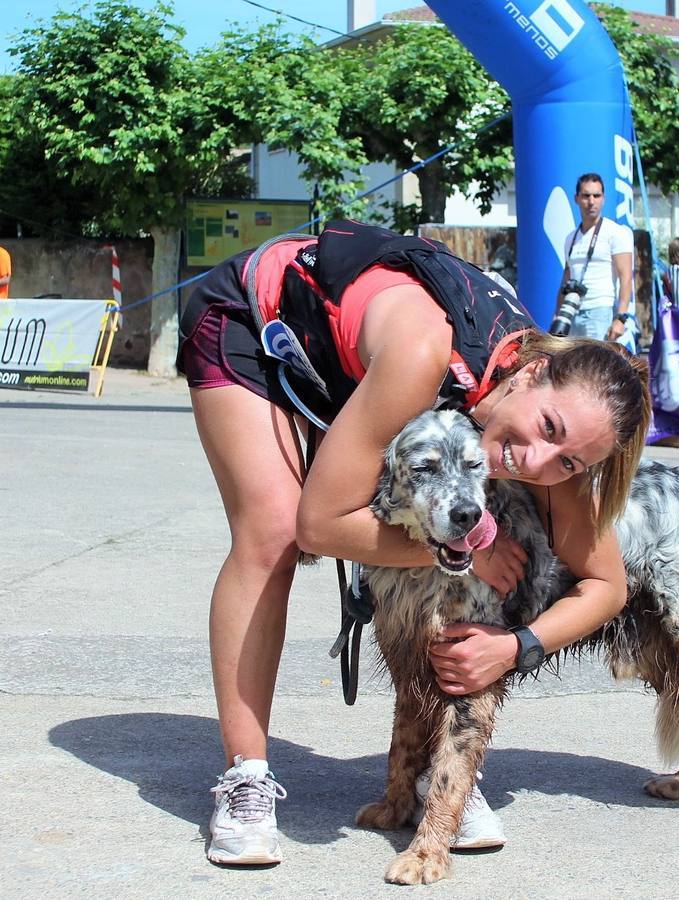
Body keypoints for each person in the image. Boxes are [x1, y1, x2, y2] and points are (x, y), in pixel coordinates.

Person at [177, 220, 652, 865]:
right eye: (548, 428)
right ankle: (245, 779)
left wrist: (516, 647)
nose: (538, 460)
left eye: (567, 463)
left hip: (359, 359)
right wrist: (469, 547)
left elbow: (607, 586)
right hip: (258, 322)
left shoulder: (552, 441)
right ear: (534, 372)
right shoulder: (422, 356)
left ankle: (439, 767)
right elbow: (321, 525)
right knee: (274, 534)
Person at [556, 173, 635, 341]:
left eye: (596, 196)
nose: (591, 202)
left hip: (600, 311)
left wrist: (621, 317)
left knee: (597, 366)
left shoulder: (616, 233)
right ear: (576, 198)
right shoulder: (570, 237)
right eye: (586, 196)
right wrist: (558, 315)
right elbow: (567, 277)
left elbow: (626, 277)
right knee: (572, 366)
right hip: (571, 312)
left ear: (603, 199)